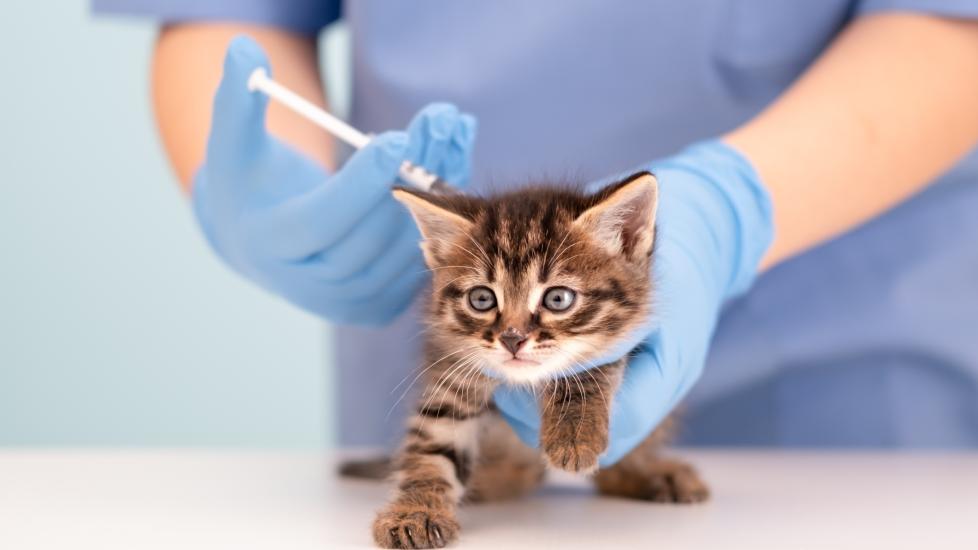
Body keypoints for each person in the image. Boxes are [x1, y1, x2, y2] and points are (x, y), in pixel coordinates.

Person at [94, 1, 978, 456]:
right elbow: (229, 16)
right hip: (455, 379)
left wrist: (733, 204)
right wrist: (270, 188)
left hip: (846, 364)